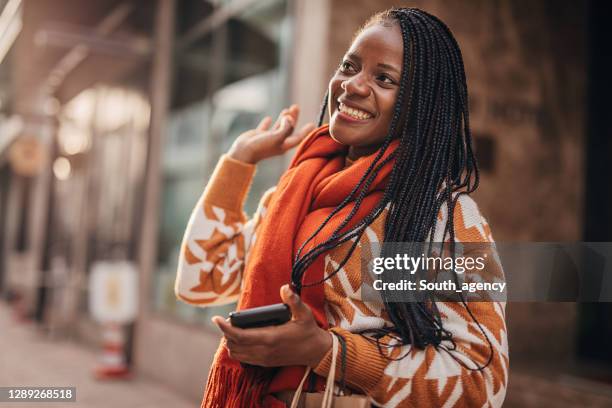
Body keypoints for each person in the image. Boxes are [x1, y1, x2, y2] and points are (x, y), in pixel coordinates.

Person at [175, 7, 508, 408]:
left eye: (384, 78)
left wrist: (325, 351)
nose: (353, 85)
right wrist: (238, 161)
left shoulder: (441, 217)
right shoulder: (296, 193)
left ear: (421, 104)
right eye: (349, 66)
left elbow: (481, 380)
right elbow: (201, 280)